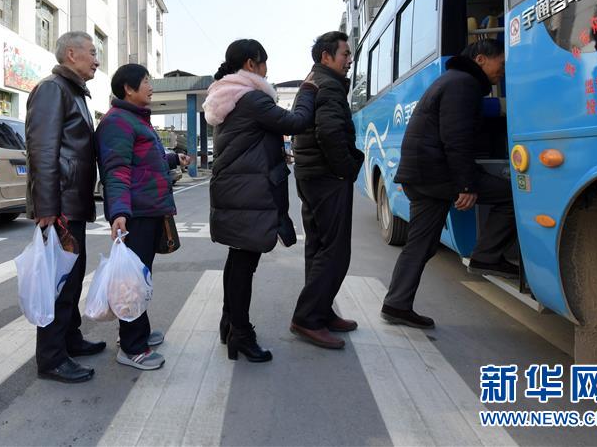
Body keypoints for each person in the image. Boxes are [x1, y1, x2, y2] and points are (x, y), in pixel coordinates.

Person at [382, 39, 518, 329]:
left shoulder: (452, 80)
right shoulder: (463, 85)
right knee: (514, 196)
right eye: (501, 64)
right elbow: (456, 139)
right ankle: (487, 255)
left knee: (421, 244)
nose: (503, 71)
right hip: (434, 175)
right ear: (481, 59)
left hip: (422, 174)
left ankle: (396, 304)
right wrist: (466, 185)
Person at [204, 38, 316, 362]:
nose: (268, 70)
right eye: (265, 63)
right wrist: (307, 91)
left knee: (238, 261)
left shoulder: (226, 97)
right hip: (248, 194)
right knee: (243, 264)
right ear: (252, 64)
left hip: (237, 192)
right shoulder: (251, 99)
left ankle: (229, 324)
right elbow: (296, 123)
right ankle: (240, 332)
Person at [96, 64, 189, 371]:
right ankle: (131, 345)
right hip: (135, 213)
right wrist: (119, 213)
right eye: (146, 82)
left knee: (141, 275)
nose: (151, 87)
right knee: (132, 281)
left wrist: (174, 158)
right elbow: (117, 170)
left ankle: (139, 333)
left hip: (149, 209)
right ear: (128, 89)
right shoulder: (117, 122)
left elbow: (144, 161)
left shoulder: (135, 119)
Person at [26, 31, 106, 383]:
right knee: (59, 284)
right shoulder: (52, 90)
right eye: (92, 52)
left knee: (72, 280)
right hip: (59, 207)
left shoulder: (73, 92)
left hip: (73, 203)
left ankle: (70, 338)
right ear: (71, 54)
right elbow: (42, 150)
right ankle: (52, 358)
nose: (97, 60)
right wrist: (47, 207)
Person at [290, 31, 365, 349]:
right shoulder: (329, 85)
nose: (349, 60)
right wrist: (348, 169)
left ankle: (321, 311)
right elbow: (331, 132)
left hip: (312, 175)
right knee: (335, 252)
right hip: (327, 176)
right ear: (326, 57)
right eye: (345, 54)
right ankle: (307, 318)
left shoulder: (314, 81)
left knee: (319, 247)